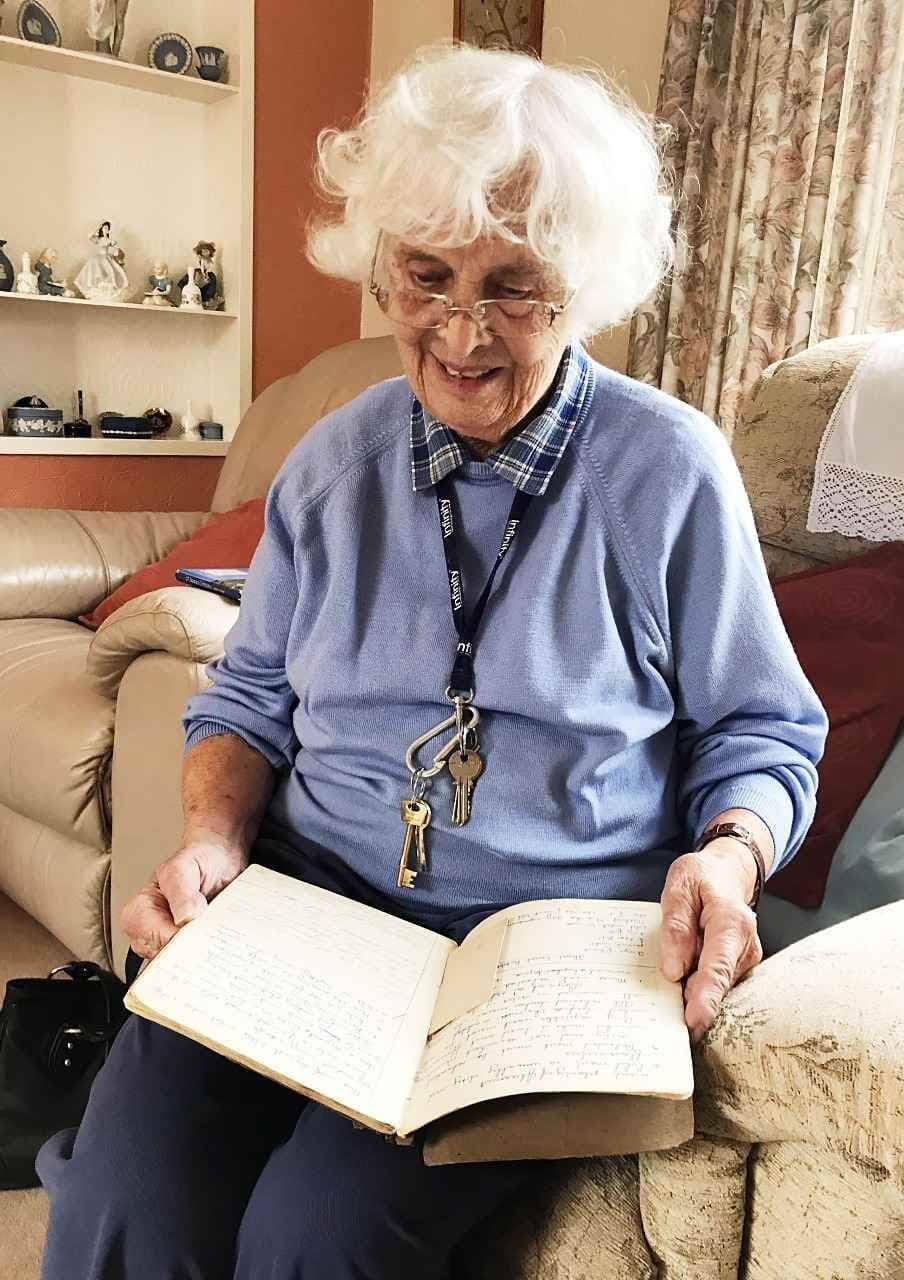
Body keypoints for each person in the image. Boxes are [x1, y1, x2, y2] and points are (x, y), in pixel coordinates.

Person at [36, 42, 828, 1279]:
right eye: (425, 275)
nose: (460, 331)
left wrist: (727, 856)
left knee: (315, 1236)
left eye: (513, 285)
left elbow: (762, 729)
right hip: (309, 912)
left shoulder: (668, 472)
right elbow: (245, 698)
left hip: (539, 952)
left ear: (584, 282)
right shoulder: (334, 464)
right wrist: (209, 841)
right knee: (123, 1193)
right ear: (381, 267)